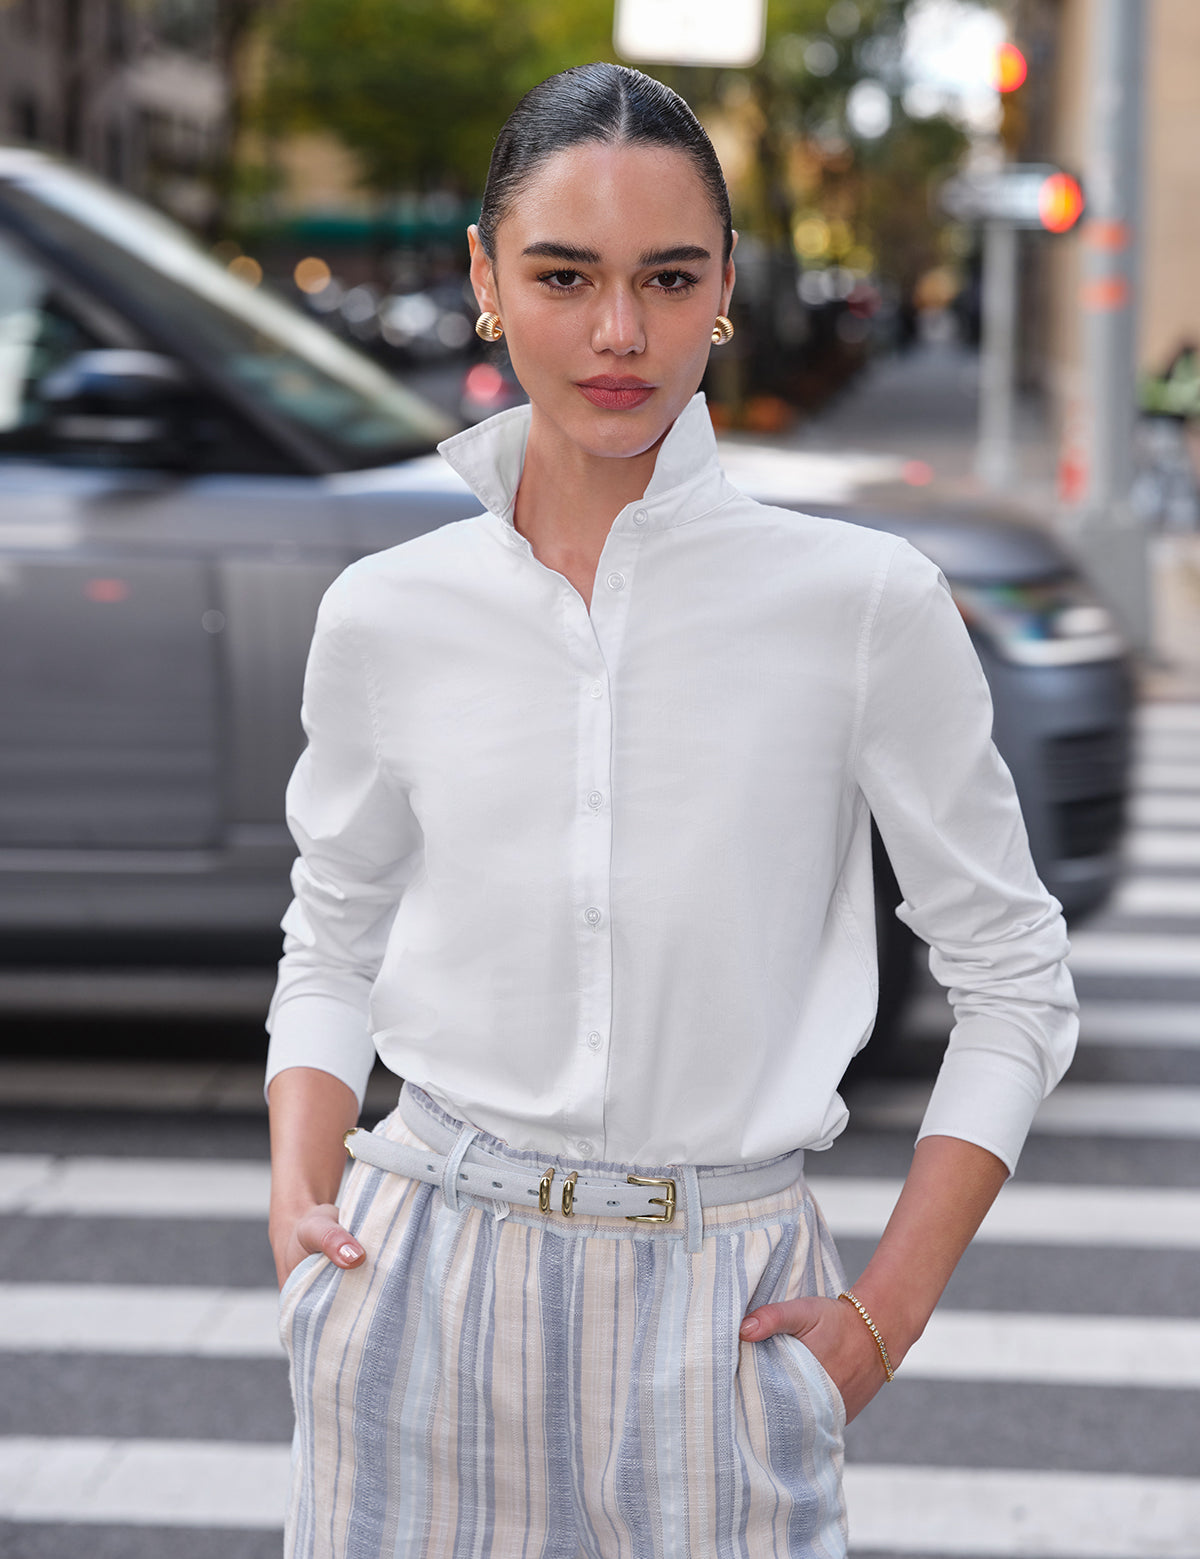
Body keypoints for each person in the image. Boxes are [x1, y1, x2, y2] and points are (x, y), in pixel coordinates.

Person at [265, 62, 1078, 1559]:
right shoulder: (388, 613)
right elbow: (334, 931)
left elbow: (1017, 985)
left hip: (725, 1313)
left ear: (723, 293)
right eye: (565, 276)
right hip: (419, 1289)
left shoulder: (863, 606)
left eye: (669, 278)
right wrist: (298, 1200)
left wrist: (880, 1321)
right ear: (487, 281)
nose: (620, 334)